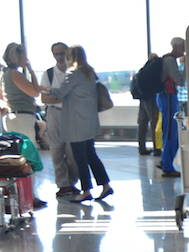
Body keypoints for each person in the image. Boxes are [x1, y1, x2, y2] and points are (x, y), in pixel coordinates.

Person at [51, 45, 113, 204]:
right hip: (89, 122)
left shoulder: (73, 73)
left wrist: (44, 89)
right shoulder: (90, 72)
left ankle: (86, 191)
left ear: (70, 56)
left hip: (76, 124)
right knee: (91, 155)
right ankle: (105, 185)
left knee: (80, 158)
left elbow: (60, 93)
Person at [2, 43, 48, 208]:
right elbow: (35, 92)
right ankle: (30, 197)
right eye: (24, 56)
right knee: (28, 155)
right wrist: (30, 69)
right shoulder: (15, 74)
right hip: (22, 117)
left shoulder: (6, 74)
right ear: (18, 56)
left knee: (16, 156)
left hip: (13, 116)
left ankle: (21, 195)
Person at [40, 42, 80, 197]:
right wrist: (64, 98)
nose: (60, 57)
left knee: (73, 152)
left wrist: (57, 96)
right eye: (56, 54)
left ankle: (72, 182)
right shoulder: (49, 74)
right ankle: (63, 185)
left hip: (72, 116)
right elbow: (45, 98)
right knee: (56, 150)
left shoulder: (76, 72)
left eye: (62, 53)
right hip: (55, 114)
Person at [156, 37, 184, 177]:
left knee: (169, 131)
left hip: (165, 97)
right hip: (168, 96)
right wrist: (185, 66)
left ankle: (165, 161)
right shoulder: (170, 61)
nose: (184, 50)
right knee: (170, 132)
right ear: (177, 47)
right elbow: (180, 81)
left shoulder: (166, 59)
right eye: (183, 47)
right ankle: (167, 166)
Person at [136, 53, 161, 156]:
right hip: (150, 97)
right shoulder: (154, 68)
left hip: (142, 98)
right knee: (154, 122)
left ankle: (142, 148)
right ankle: (157, 148)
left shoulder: (143, 69)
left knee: (142, 123)